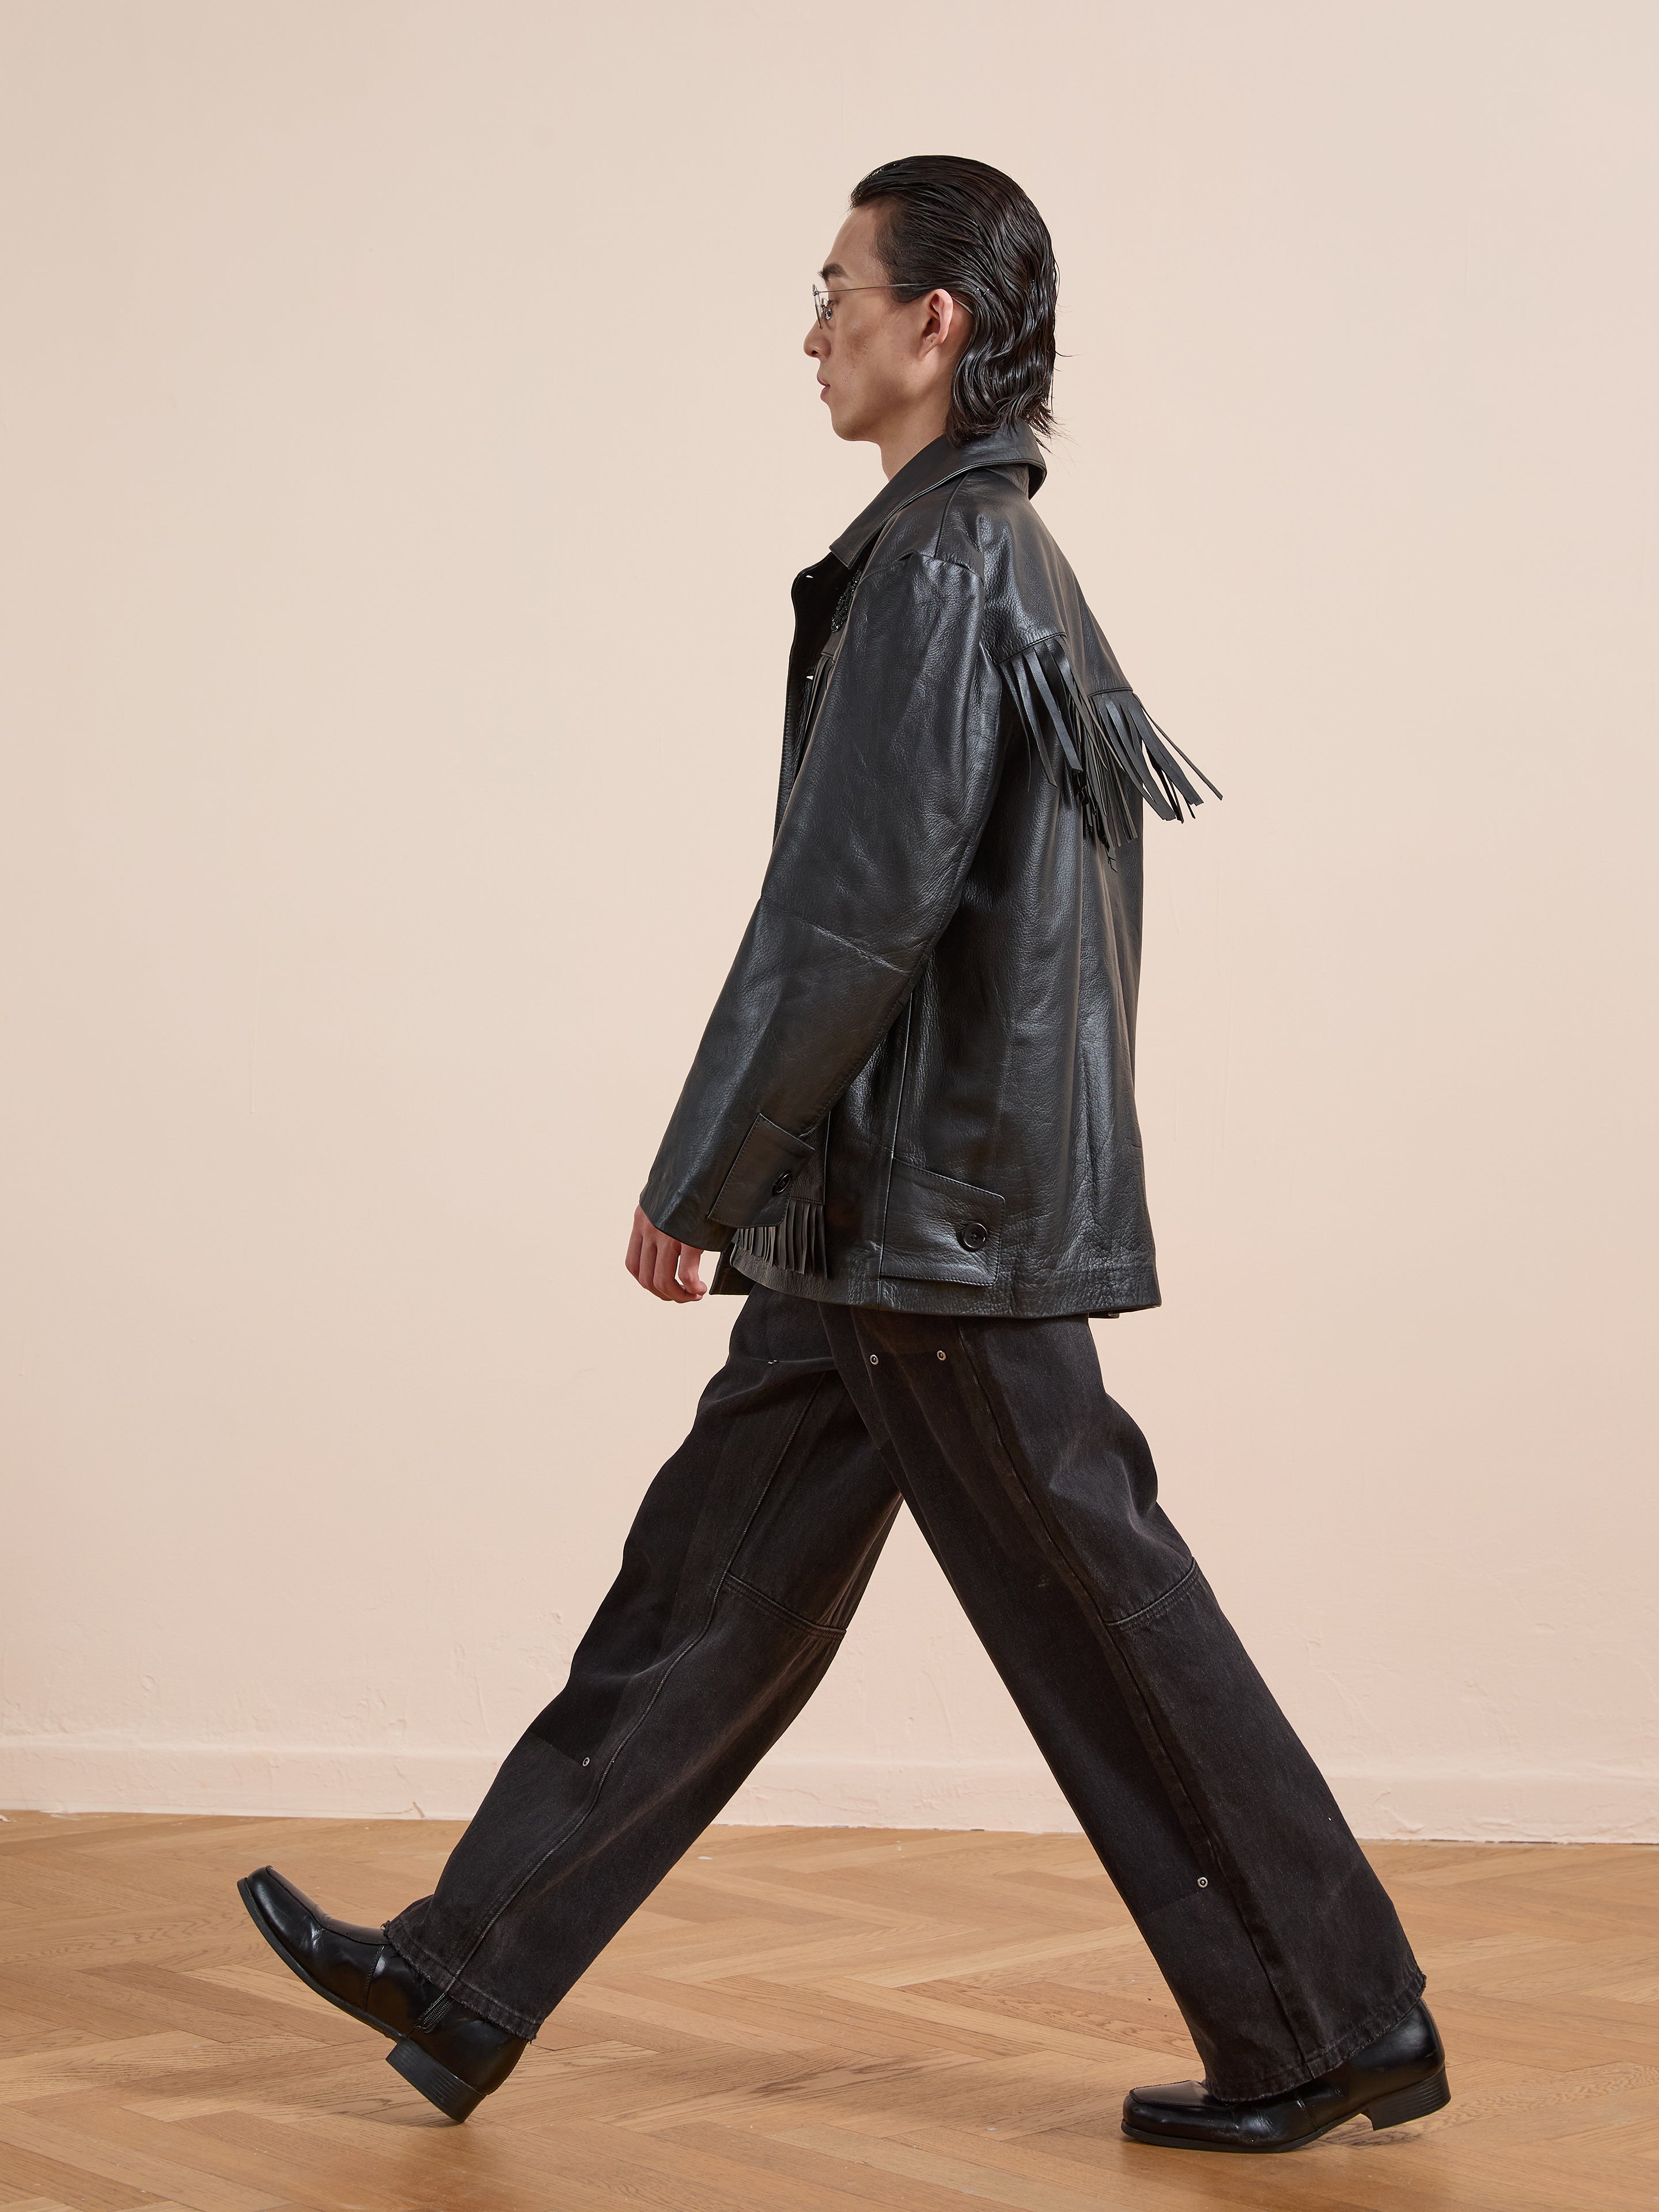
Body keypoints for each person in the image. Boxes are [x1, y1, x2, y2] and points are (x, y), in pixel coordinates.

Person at [238, 155, 1448, 2152]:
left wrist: (704, 1171)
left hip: (928, 1225)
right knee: (707, 1589)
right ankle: (469, 1971)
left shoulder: (948, 565)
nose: (810, 330)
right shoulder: (966, 558)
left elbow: (853, 912)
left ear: (934, 326)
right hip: (899, 1217)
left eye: (833, 290)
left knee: (1103, 1610)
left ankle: (1341, 2016)